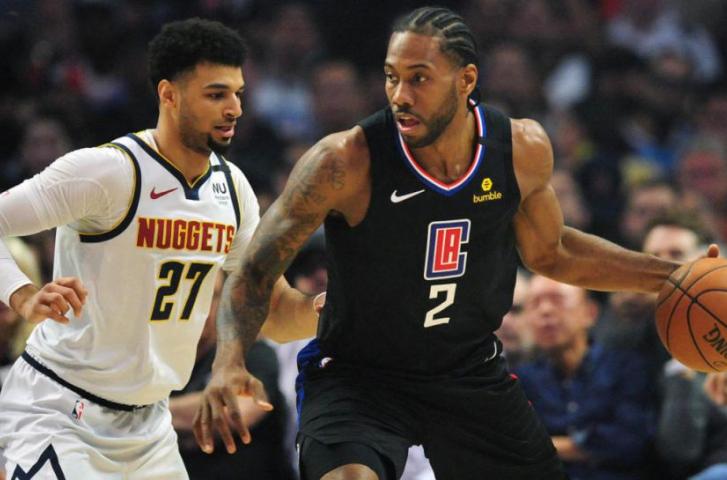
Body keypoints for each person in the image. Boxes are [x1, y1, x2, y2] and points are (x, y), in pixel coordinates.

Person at [195, 7, 716, 480]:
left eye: (419, 78)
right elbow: (255, 269)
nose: (400, 95)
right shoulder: (344, 161)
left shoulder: (519, 148)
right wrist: (228, 362)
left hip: (467, 370)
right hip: (360, 375)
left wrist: (671, 276)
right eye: (392, 77)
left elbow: (553, 252)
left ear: (466, 80)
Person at [0, 18, 317, 479]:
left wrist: (339, 311)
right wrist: (22, 294)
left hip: (149, 425)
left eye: (237, 93)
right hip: (62, 410)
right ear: (169, 95)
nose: (234, 109)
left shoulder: (233, 190)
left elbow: (271, 311)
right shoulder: (108, 172)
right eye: (216, 94)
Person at [514, 275, 655, 480]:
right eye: (534, 304)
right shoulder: (521, 380)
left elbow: (630, 439)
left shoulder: (625, 367)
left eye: (557, 300)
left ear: (590, 313)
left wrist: (546, 447)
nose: (545, 311)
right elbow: (514, 447)